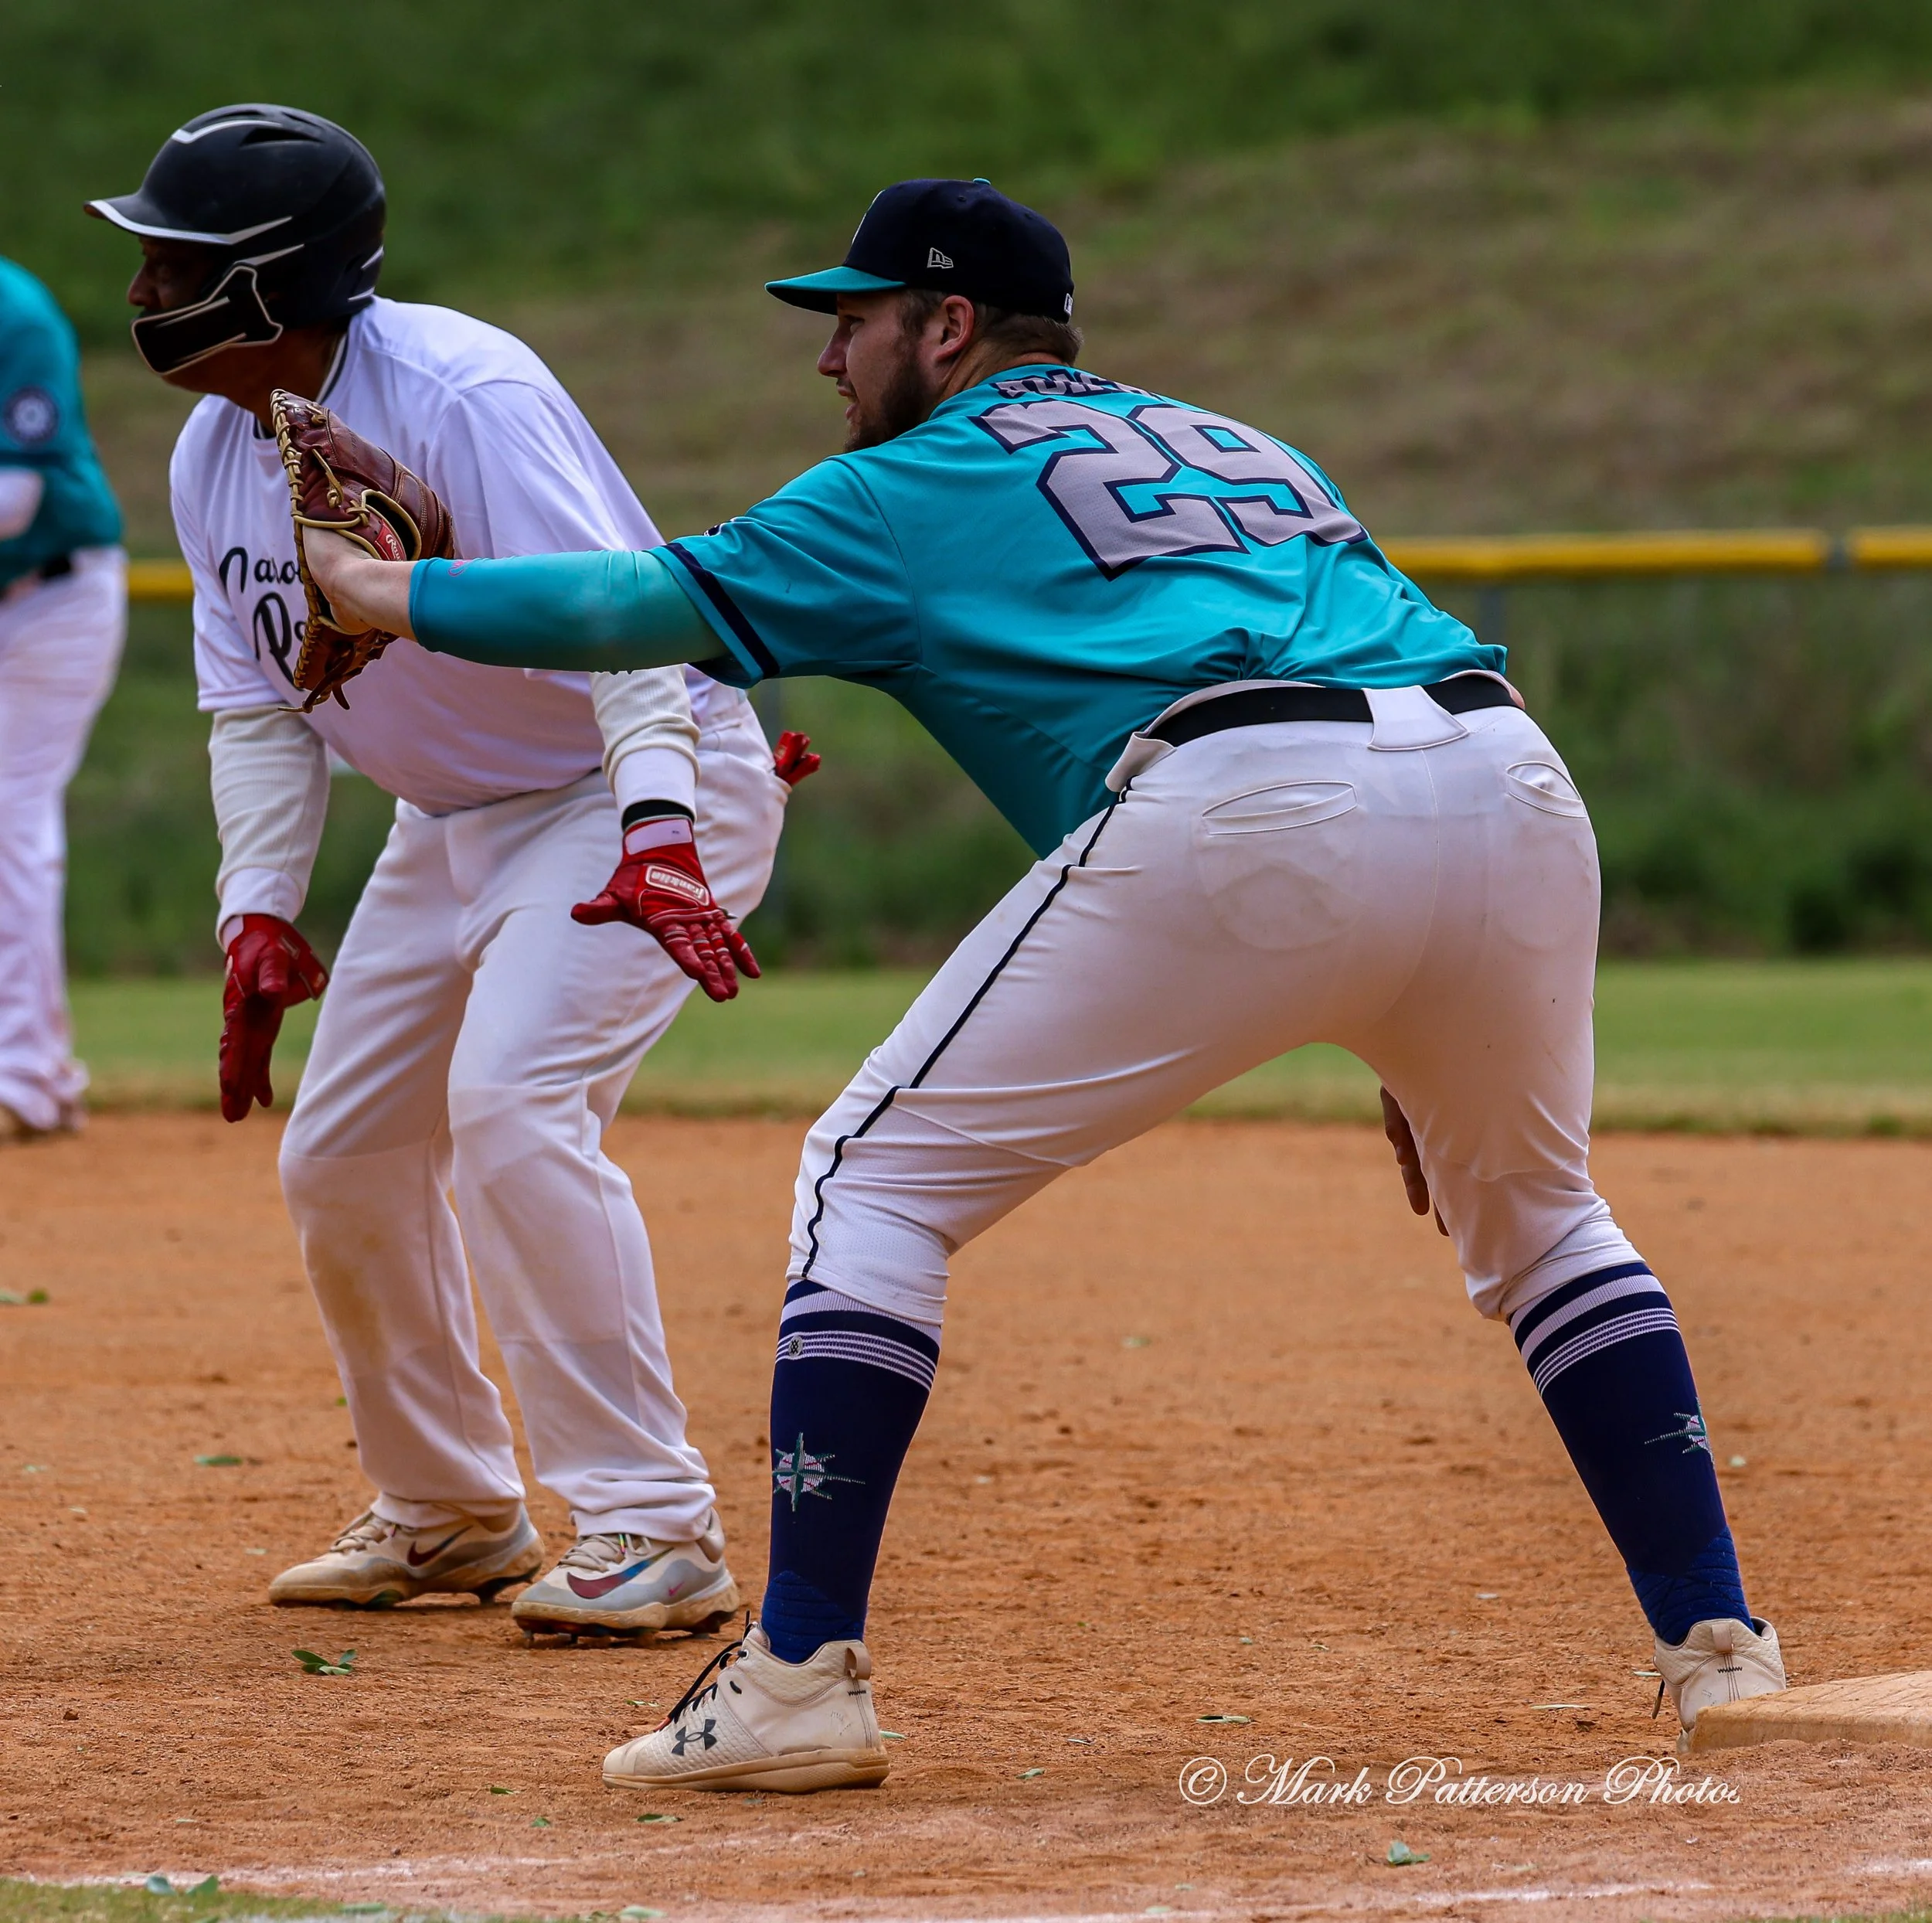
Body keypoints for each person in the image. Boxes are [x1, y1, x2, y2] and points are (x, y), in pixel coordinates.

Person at [294, 176, 1787, 1789]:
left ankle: (798, 1670)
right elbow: (1367, 689)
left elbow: (637, 604)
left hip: (1248, 799)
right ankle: (1721, 1651)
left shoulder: (909, 481)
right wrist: (1417, 1014)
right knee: (1546, 1216)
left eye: (852, 321)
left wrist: (382, 594)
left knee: (865, 1181)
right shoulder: (1238, 440)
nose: (828, 361)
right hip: (1501, 776)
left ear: (946, 327)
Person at [88, 104, 808, 1634]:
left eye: (173, 264)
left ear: (271, 282)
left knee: (512, 1106)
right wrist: (258, 905)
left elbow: (628, 614)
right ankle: (450, 1510)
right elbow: (254, 701)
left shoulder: (461, 389)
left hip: (626, 783)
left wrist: (662, 824)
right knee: (340, 1154)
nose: (144, 297)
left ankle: (650, 1526)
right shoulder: (213, 449)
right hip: (447, 819)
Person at [0, 257, 125, 1143]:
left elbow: (15, 494)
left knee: (9, 820)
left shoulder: (15, 313)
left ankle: (26, 1077)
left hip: (50, 600)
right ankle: (37, 1069)